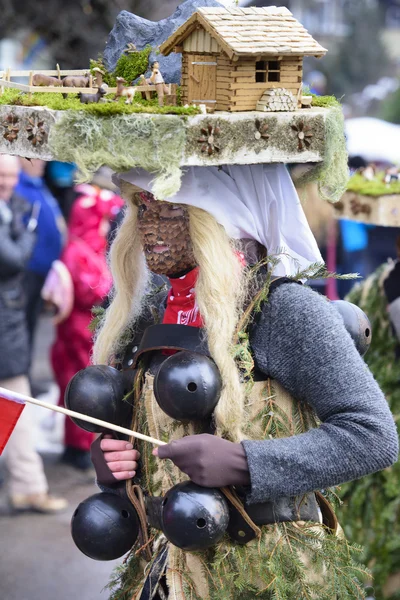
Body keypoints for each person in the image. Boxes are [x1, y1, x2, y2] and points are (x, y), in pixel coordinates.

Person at [84, 164, 398, 599]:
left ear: (221, 217)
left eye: (171, 210)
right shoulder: (151, 312)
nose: (149, 227)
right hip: (166, 572)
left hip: (268, 575)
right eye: (142, 207)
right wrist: (117, 465)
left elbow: (373, 435)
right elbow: (149, 433)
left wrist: (245, 464)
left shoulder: (284, 309)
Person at [0, 154, 67, 514]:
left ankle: (27, 485)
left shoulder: (12, 204)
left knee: (14, 402)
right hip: (5, 325)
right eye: (1, 176)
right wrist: (26, 231)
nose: (6, 183)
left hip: (9, 320)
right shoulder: (11, 212)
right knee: (17, 401)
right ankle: (28, 486)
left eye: (10, 176)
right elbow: (11, 258)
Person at [51, 181, 123, 470]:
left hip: (83, 329)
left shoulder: (88, 249)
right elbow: (92, 289)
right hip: (79, 330)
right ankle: (77, 445)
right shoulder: (79, 251)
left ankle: (79, 443)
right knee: (80, 385)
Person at [15, 159, 66, 378]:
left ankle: (24, 374)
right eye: (35, 158)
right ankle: (19, 375)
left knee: (32, 325)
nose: (42, 161)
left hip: (43, 272)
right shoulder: (18, 185)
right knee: (22, 327)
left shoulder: (37, 183)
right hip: (27, 272)